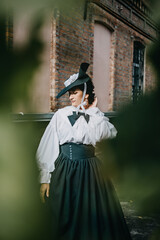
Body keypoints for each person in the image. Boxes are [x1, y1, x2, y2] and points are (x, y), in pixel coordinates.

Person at [36, 63, 132, 240]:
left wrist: (94, 112)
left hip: (90, 171)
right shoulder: (61, 115)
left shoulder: (96, 118)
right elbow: (48, 144)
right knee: (62, 216)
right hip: (64, 170)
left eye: (75, 93)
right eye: (70, 93)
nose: (71, 97)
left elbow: (111, 135)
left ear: (85, 94)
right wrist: (45, 177)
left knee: (91, 219)